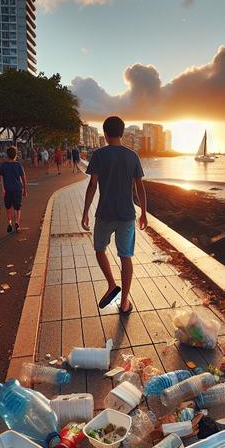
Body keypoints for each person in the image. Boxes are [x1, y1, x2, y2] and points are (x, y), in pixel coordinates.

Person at [81, 116, 147, 314]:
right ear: (123, 132)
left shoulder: (99, 155)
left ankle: (111, 284)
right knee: (126, 256)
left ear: (105, 132)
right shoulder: (132, 156)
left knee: (100, 249)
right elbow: (140, 187)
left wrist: (85, 212)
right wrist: (144, 212)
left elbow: (92, 184)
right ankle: (124, 302)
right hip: (127, 214)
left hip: (105, 213)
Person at [0, 145, 27, 233]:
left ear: (7, 155)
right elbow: (23, 178)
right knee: (17, 207)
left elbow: (1, 177)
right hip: (17, 189)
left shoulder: (4, 165)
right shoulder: (18, 165)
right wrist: (25, 189)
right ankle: (17, 223)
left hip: (7, 189)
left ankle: (10, 222)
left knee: (8, 207)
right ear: (15, 155)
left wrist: (2, 188)